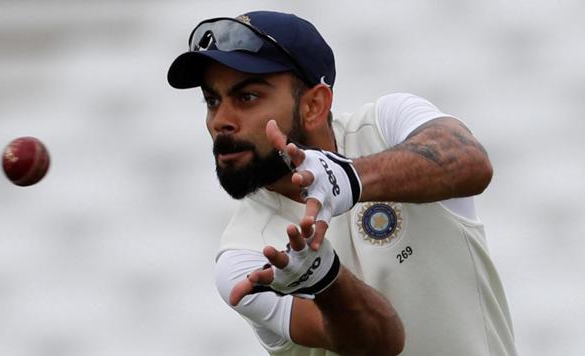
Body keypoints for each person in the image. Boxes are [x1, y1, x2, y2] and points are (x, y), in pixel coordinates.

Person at [167, 10, 517, 356]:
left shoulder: (386, 126)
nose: (221, 121)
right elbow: (381, 344)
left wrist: (349, 177)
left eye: (247, 97)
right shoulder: (246, 257)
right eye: (212, 101)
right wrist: (325, 281)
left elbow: (473, 163)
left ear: (314, 106)